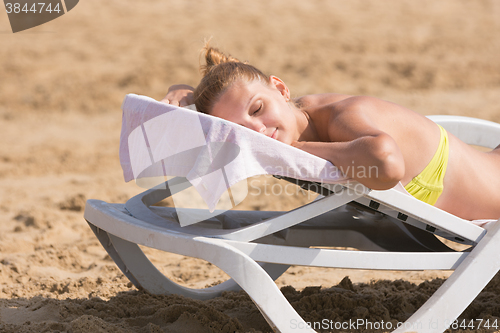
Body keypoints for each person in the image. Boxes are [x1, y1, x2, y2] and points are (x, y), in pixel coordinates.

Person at [161, 43, 500, 221]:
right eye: (241, 131)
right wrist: (184, 91)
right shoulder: (294, 125)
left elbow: (386, 164)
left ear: (280, 88)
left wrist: (295, 150)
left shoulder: (341, 116)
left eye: (258, 109)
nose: (258, 131)